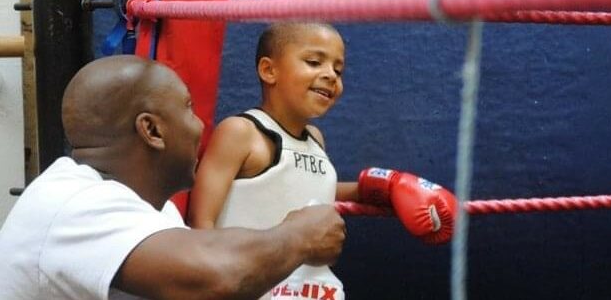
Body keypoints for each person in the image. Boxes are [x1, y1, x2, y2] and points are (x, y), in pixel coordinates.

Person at [0, 55, 346, 300]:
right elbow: (214, 276)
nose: (200, 126)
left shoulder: (153, 212)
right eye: (188, 109)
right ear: (152, 131)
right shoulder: (76, 202)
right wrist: (300, 235)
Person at [189, 22, 458, 300]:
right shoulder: (241, 132)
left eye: (338, 70)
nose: (330, 75)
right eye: (314, 62)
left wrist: (385, 187)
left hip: (312, 290)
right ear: (269, 70)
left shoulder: (315, 138)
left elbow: (302, 189)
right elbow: (200, 224)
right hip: (249, 287)